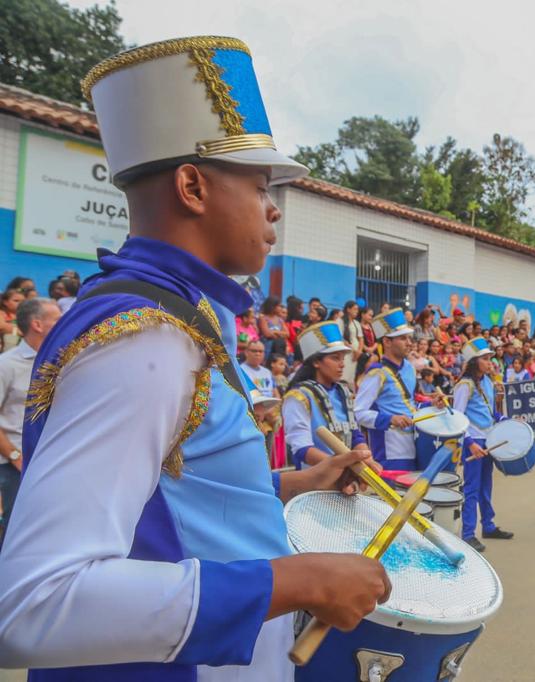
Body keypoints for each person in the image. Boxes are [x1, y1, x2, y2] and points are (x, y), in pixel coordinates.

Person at [0, 37, 392, 679]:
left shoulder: (180, 315)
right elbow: (32, 605)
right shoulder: (145, 337)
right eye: (262, 187)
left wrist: (296, 485)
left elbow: (168, 499)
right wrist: (290, 583)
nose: (273, 211)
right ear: (192, 186)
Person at [0, 298, 61, 549]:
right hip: (13, 466)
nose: (63, 323)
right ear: (37, 324)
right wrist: (15, 456)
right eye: (56, 319)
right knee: (15, 532)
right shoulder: (7, 364)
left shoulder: (61, 362)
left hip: (47, 462)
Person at [451, 337, 514, 552]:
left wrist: (506, 420)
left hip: (488, 441)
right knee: (472, 488)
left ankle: (488, 525)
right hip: (474, 443)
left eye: (490, 358)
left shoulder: (487, 382)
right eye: (485, 359)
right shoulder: (464, 385)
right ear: (473, 361)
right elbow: (457, 418)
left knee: (486, 486)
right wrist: (469, 443)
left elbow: (490, 413)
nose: (490, 362)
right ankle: (468, 533)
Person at [282, 321, 365, 469]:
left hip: (345, 475)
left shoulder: (343, 392)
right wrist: (344, 467)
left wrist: (365, 458)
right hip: (314, 480)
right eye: (335, 358)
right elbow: (301, 448)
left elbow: (354, 433)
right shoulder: (298, 397)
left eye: (342, 358)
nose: (342, 364)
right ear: (316, 362)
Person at [354, 309, 421, 470]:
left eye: (409, 338)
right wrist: (390, 419)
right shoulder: (377, 373)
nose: (409, 343)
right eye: (403, 338)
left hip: (415, 444)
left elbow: (408, 403)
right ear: (387, 342)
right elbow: (358, 413)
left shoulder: (410, 368)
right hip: (390, 449)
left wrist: (431, 404)